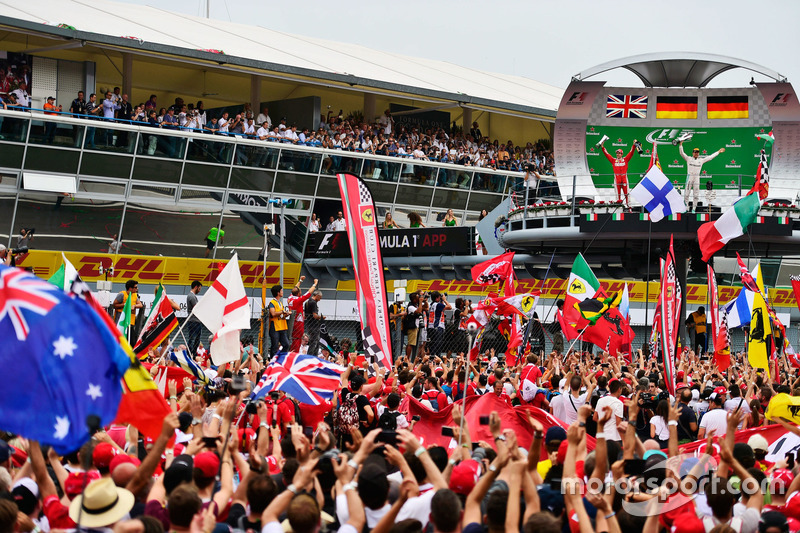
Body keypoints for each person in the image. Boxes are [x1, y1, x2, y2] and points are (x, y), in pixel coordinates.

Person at [679, 141, 725, 212]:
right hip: (689, 177)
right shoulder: (688, 159)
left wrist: (718, 152)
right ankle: (687, 208)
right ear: (692, 153)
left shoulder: (701, 160)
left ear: (698, 153)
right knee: (687, 193)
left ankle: (694, 209)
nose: (696, 153)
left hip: (697, 177)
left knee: (696, 194)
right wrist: (681, 144)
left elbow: (710, 157)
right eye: (695, 152)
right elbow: (682, 153)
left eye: (697, 152)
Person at [599, 138, 636, 208]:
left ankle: (629, 207)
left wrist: (634, 145)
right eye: (617, 153)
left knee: (627, 194)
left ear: (622, 154)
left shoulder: (625, 159)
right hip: (617, 180)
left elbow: (631, 152)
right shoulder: (613, 160)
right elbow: (607, 154)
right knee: (617, 195)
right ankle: (618, 207)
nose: (617, 154)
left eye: (619, 153)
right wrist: (603, 147)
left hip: (624, 179)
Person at [287, 276, 318, 352]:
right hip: (298, 322)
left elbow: (295, 288)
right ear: (298, 293)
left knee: (295, 340)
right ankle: (294, 356)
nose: (301, 291)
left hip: (293, 321)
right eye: (300, 291)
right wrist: (315, 284)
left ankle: (293, 354)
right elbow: (309, 293)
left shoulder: (290, 298)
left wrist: (300, 280)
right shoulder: (298, 300)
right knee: (297, 341)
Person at [267, 285, 291, 357]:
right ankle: (273, 360)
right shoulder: (272, 303)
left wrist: (286, 314)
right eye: (281, 291)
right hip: (274, 326)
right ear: (278, 293)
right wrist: (282, 312)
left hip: (282, 326)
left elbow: (281, 315)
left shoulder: (280, 303)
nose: (282, 292)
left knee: (286, 344)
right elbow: (273, 313)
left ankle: (281, 358)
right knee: (275, 345)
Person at [304, 290, 324, 356]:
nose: (320, 299)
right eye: (320, 297)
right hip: (314, 325)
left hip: (309, 324)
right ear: (317, 296)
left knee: (317, 341)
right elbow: (315, 315)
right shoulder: (313, 303)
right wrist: (321, 317)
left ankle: (314, 355)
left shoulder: (307, 302)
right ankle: (311, 356)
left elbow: (306, 315)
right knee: (314, 342)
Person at [185, 280, 202, 355]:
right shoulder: (191, 296)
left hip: (196, 321)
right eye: (199, 288)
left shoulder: (193, 296)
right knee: (192, 339)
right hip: (193, 321)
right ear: (196, 287)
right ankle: (189, 354)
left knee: (196, 339)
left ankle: (193, 354)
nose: (200, 290)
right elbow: (197, 308)